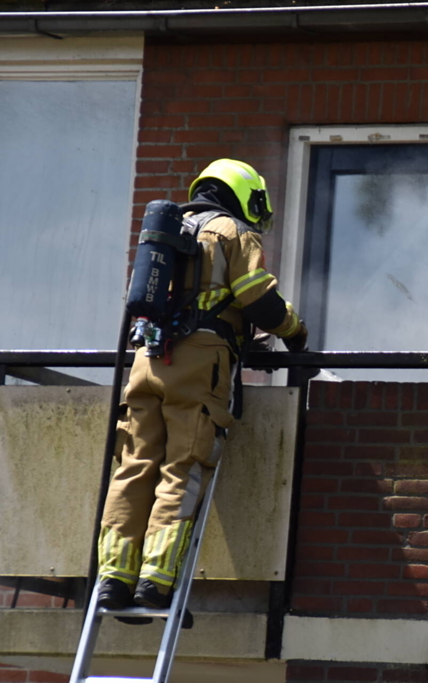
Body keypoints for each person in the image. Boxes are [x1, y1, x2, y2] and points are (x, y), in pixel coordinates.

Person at [96, 159, 308, 615]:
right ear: (244, 195)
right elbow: (258, 300)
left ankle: (113, 578)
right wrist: (294, 329)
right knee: (182, 468)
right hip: (197, 365)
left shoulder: (172, 231)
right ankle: (155, 580)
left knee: (133, 466)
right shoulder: (231, 232)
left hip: (146, 360)